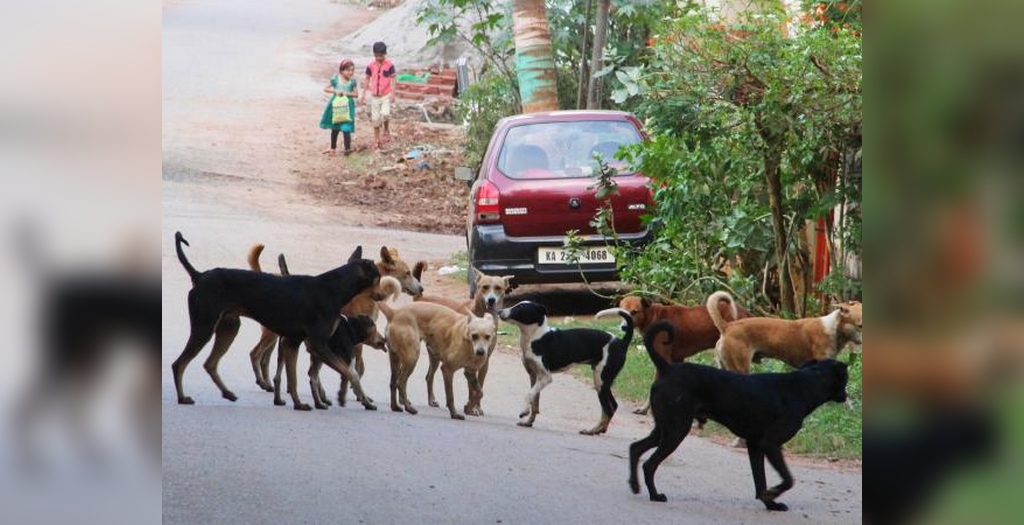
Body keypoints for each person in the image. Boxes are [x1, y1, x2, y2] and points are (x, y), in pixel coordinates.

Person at [319, 59, 358, 156]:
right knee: (335, 127)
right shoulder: (335, 79)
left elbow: (356, 94)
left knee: (346, 128)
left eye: (352, 70)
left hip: (347, 107)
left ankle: (347, 150)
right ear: (341, 71)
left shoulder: (352, 81)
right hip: (336, 106)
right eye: (348, 70)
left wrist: (346, 93)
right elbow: (325, 88)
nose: (351, 72)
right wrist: (335, 92)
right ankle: (332, 149)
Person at [362, 41, 396, 150]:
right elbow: (367, 78)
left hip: (385, 95)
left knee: (385, 114)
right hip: (374, 96)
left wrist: (393, 93)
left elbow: (393, 78)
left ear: (385, 54)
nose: (378, 58)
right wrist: (363, 93)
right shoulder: (370, 65)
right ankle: (377, 140)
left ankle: (386, 128)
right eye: (376, 56)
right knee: (375, 119)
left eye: (380, 56)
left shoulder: (390, 65)